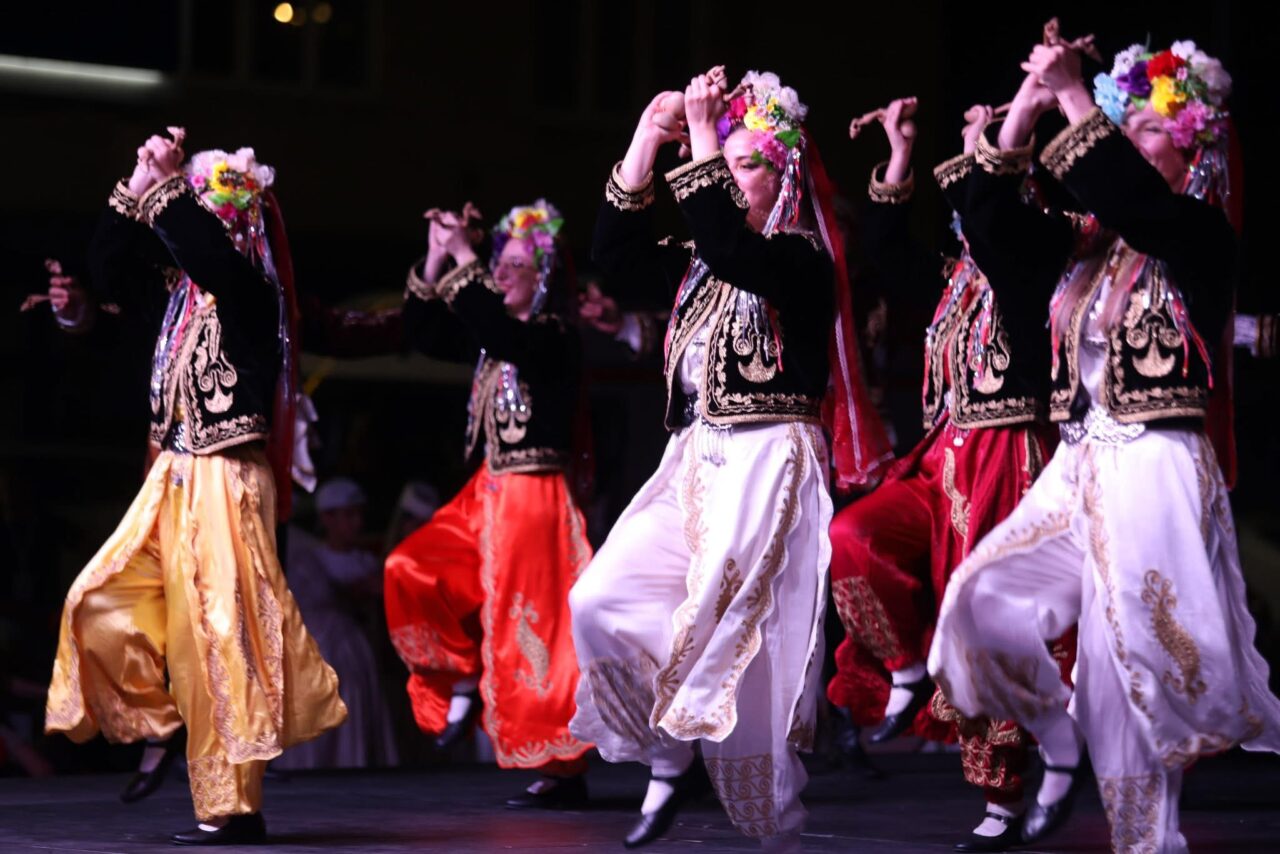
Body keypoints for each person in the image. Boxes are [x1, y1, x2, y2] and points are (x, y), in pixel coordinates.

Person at [929, 39, 1280, 852]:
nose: (1130, 142)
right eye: (1128, 129)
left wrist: (1075, 95)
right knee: (980, 600)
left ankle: (1147, 840)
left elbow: (1132, 196)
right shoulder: (1085, 242)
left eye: (1149, 130)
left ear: (1192, 147)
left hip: (1157, 461)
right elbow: (990, 224)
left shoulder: (1199, 233)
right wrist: (1026, 108)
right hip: (1080, 459)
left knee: (1136, 669)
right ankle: (1057, 746)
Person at [569, 68, 890, 851]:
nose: (726, 174)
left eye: (746, 162)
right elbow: (613, 254)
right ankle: (669, 753)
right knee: (598, 601)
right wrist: (649, 137)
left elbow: (729, 245)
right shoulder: (699, 259)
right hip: (691, 459)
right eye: (728, 161)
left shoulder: (799, 258)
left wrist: (706, 138)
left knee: (737, 638)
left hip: (767, 460)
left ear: (783, 177)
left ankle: (770, 823)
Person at [45, 132, 346, 845]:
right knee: (98, 597)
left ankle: (233, 808)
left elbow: (208, 253)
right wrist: (139, 175)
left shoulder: (251, 291)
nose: (201, 220)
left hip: (229, 480)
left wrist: (172, 186)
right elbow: (107, 264)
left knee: (225, 639)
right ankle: (165, 714)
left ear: (240, 221)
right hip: (172, 477)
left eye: (216, 209)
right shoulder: (175, 294)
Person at [826, 97, 1075, 852]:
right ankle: (905, 668)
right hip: (943, 457)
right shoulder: (958, 272)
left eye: (978, 159)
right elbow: (888, 247)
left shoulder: (1040, 254)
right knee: (853, 536)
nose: (963, 178)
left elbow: (995, 221)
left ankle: (1001, 794)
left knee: (986, 619)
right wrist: (900, 155)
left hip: (1009, 457)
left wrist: (995, 141)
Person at [384, 200, 593, 808]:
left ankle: (560, 766)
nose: (500, 272)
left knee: (534, 633)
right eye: (498, 262)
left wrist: (465, 256)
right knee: (410, 567)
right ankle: (460, 678)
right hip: (488, 492)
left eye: (516, 264)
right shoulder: (490, 339)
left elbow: (504, 333)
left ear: (544, 277)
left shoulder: (552, 337)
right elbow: (424, 332)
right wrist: (436, 254)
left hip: (534, 497)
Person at [277, 478, 398, 769]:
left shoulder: (364, 561)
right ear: (328, 518)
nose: (356, 523)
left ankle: (353, 760)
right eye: (348, 515)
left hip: (351, 647)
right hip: (316, 647)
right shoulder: (307, 560)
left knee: (354, 699)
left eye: (358, 515)